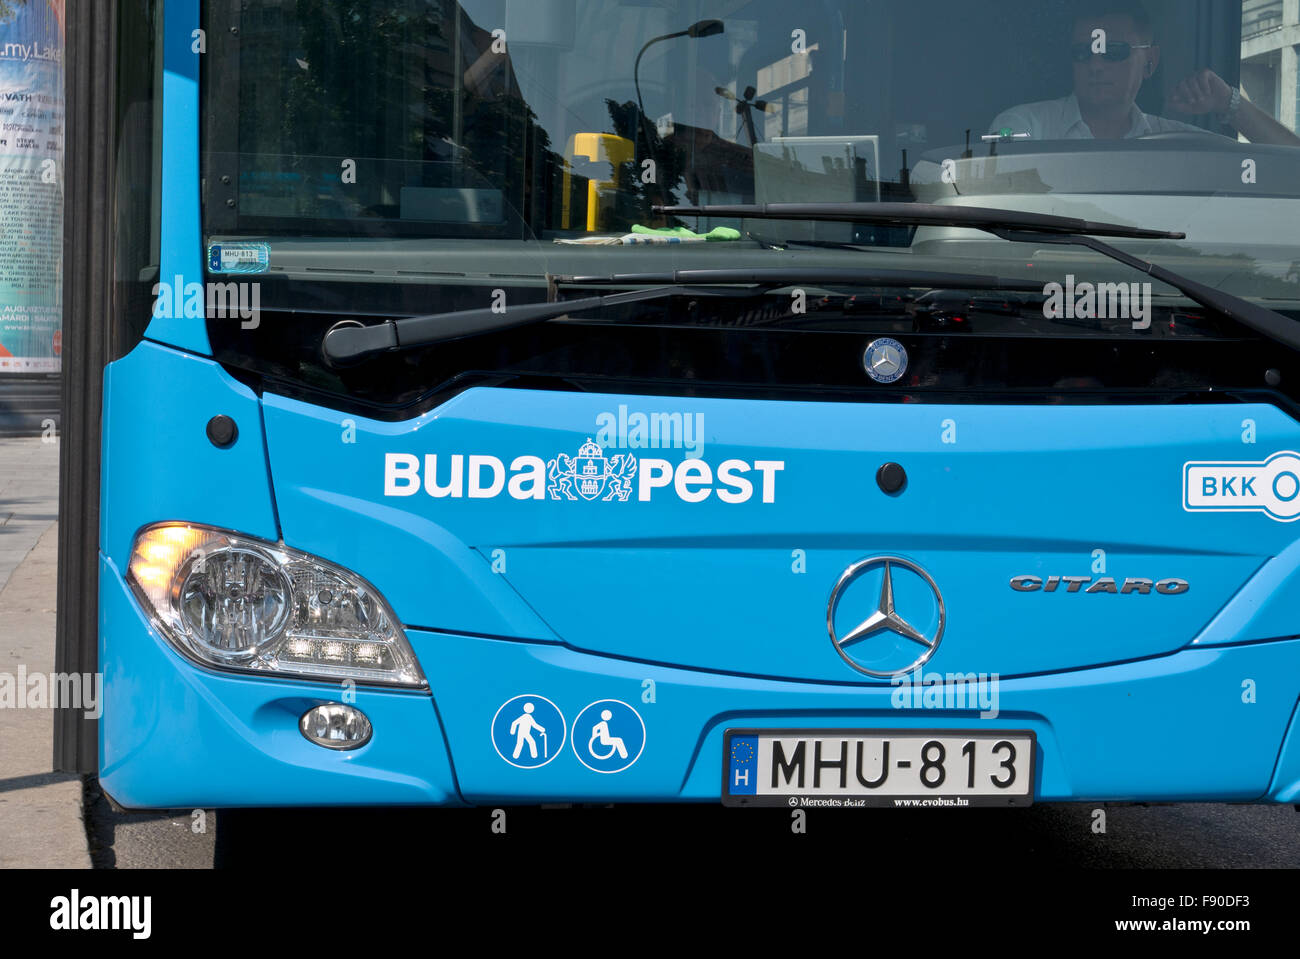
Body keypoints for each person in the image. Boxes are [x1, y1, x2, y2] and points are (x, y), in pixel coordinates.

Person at [989, 1, 1300, 146]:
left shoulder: (1176, 143)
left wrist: (1228, 102)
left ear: (1150, 60)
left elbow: (1292, 169)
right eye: (1083, 53)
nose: (1096, 65)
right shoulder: (1024, 128)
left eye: (1114, 52)